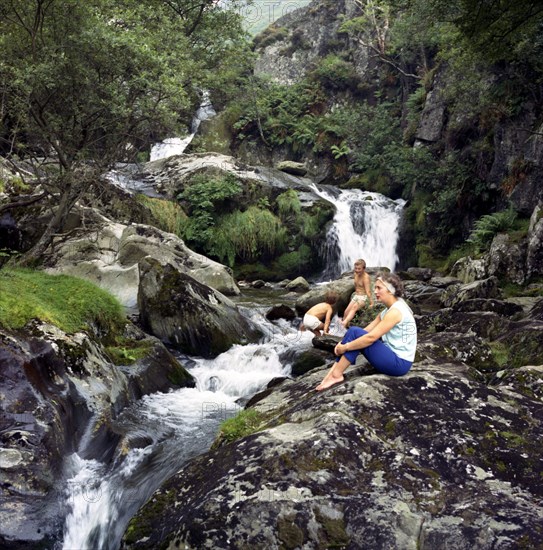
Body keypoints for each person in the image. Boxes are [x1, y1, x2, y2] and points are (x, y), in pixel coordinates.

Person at [316, 272, 416, 391]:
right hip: (393, 357)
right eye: (375, 288)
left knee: (354, 332)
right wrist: (342, 343)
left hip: (399, 364)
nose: (375, 291)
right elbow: (366, 331)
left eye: (379, 288)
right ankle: (332, 374)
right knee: (354, 332)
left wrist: (346, 347)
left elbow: (371, 338)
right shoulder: (388, 311)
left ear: (390, 290)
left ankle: (336, 375)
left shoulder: (396, 312)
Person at [341, 258, 374, 328]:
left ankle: (344, 323)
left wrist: (371, 303)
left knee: (354, 307)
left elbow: (368, 291)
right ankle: (344, 330)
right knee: (346, 312)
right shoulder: (355, 274)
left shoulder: (366, 278)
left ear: (364, 268)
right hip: (357, 296)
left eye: (359, 269)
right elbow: (356, 286)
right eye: (356, 268)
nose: (357, 270)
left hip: (364, 297)